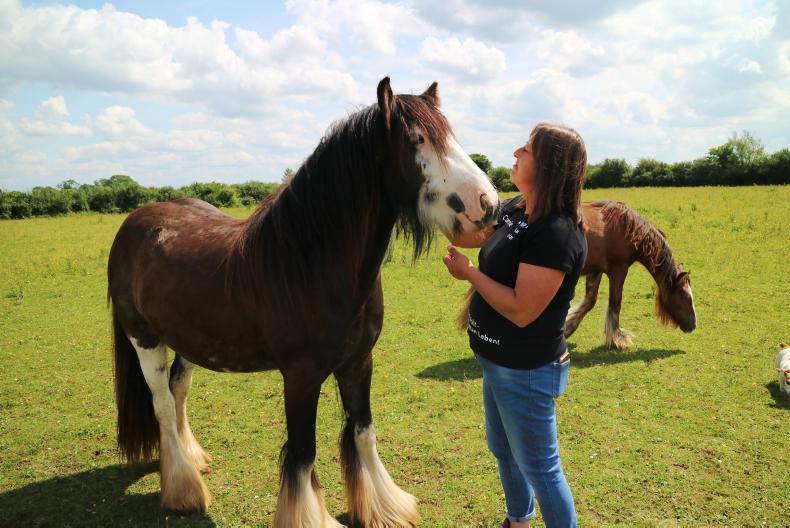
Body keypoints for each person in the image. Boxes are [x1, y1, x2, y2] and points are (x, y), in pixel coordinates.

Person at [442, 123, 588, 528]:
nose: (516, 153)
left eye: (526, 150)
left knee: (542, 468)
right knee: (504, 451)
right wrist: (432, 203)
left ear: (549, 167)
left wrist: (469, 275)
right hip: (496, 362)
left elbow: (522, 310)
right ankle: (519, 521)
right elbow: (478, 235)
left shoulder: (557, 233)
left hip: (525, 370)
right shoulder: (517, 208)